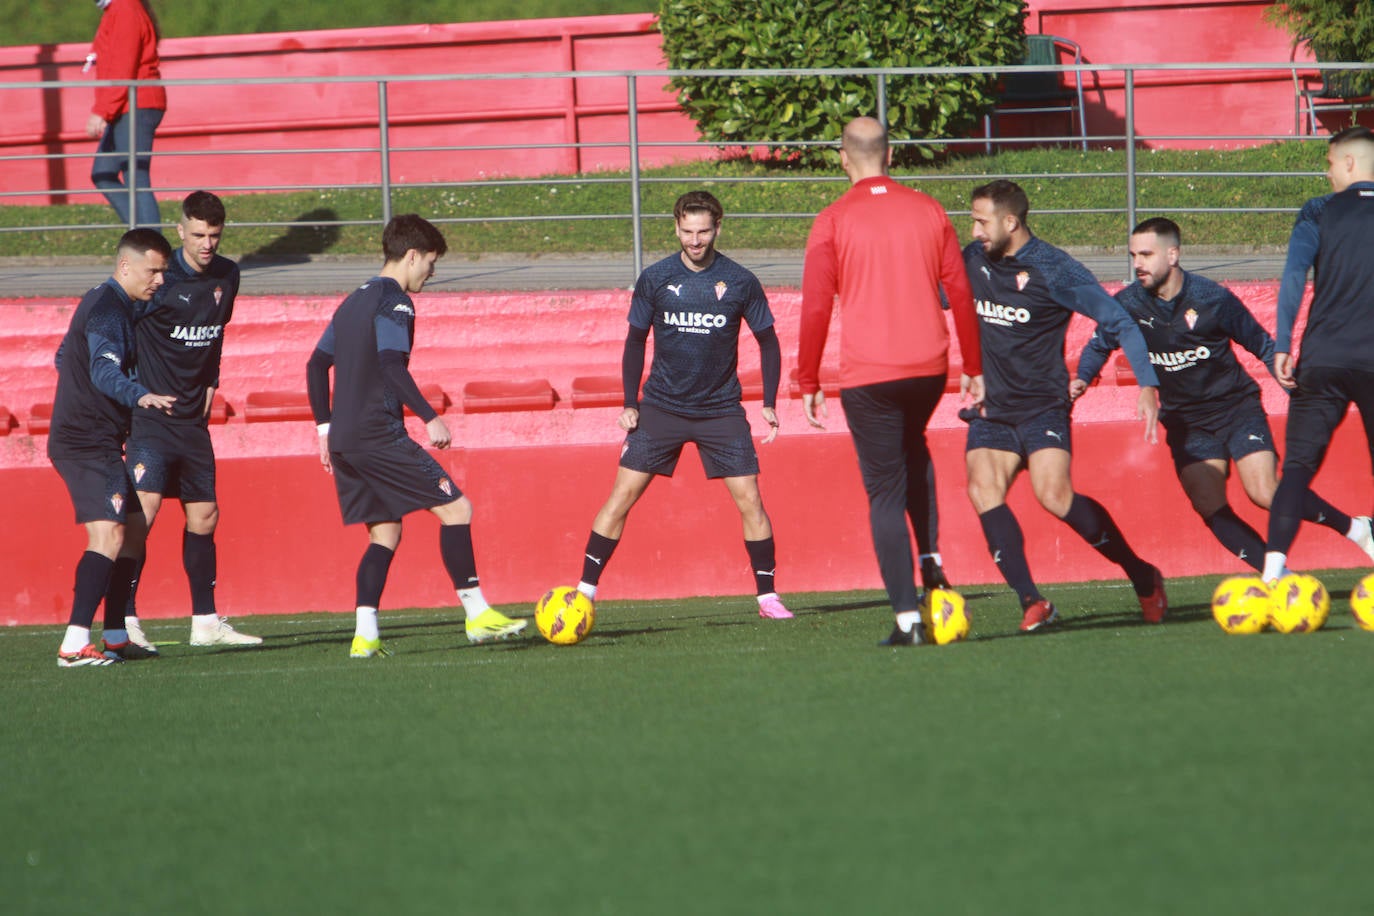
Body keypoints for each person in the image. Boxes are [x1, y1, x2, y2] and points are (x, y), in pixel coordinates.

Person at [1072, 218, 1374, 575]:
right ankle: (1279, 580)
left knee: (1263, 491)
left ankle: (1356, 528)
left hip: (1236, 407)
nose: (1137, 263)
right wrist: (1081, 378)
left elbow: (1261, 343)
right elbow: (1098, 344)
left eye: (1146, 254)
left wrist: (1291, 384)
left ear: (1173, 255)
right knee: (1208, 504)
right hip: (1186, 422)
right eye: (1133, 254)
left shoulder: (1211, 298)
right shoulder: (1127, 305)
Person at [798, 116, 983, 646]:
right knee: (914, 448)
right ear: (892, 156)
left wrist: (806, 377)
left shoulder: (831, 220)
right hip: (929, 369)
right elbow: (962, 293)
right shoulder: (928, 209)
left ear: (842, 158)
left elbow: (815, 307)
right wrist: (974, 366)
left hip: (869, 377)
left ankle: (907, 620)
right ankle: (932, 562)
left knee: (884, 490)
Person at [306, 214, 526, 658]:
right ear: (411, 256)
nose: (432, 272)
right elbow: (391, 364)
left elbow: (315, 365)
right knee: (457, 508)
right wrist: (429, 417)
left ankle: (365, 635)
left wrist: (324, 429)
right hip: (377, 434)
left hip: (346, 439)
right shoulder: (395, 301)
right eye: (430, 261)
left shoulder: (352, 300)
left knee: (384, 533)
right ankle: (478, 614)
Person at [573, 190, 791, 620]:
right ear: (676, 228)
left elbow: (768, 340)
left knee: (751, 501)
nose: (695, 240)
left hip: (721, 411)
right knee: (621, 497)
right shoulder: (655, 278)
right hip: (661, 408)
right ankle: (583, 592)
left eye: (704, 231)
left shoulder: (740, 280)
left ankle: (768, 597)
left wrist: (768, 400)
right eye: (688, 231)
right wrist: (629, 401)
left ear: (717, 229)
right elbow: (635, 341)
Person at [963, 179, 1167, 632]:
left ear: (1010, 222)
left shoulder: (1056, 269)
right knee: (982, 489)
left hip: (1042, 406)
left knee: (1053, 496)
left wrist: (1147, 385)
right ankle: (1033, 602)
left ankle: (1142, 574)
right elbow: (945, 299)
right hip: (992, 408)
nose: (974, 230)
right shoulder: (972, 258)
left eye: (981, 221)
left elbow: (1120, 322)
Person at [116, 191, 262, 651]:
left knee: (205, 515)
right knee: (145, 513)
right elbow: (121, 327)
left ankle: (205, 622)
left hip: (192, 421)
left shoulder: (228, 275)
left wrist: (213, 381)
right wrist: (130, 392)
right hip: (153, 417)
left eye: (214, 235)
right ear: (180, 231)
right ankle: (124, 617)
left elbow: (216, 334)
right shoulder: (160, 277)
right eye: (197, 234)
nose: (206, 244)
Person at [48, 228, 175, 666]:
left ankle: (117, 634)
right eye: (153, 270)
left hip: (97, 436)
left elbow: (65, 355)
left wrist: (83, 386)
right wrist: (137, 394)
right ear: (126, 265)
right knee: (109, 534)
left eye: (164, 271)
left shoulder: (105, 301)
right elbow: (103, 371)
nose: (159, 279)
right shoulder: (108, 310)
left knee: (134, 530)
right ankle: (73, 644)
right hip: (84, 440)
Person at [1263, 126, 1374, 583]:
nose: (1326, 173)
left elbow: (1293, 277)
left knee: (1296, 470)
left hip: (1323, 359)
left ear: (1349, 163)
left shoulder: (1318, 211)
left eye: (1329, 163)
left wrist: (1283, 344)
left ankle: (1272, 575)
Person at [85, 0, 166, 228]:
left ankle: (153, 252)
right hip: (125, 105)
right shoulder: (118, 8)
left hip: (135, 104)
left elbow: (123, 66)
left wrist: (101, 111)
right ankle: (141, 240)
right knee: (103, 173)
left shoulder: (125, 7)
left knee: (136, 180)